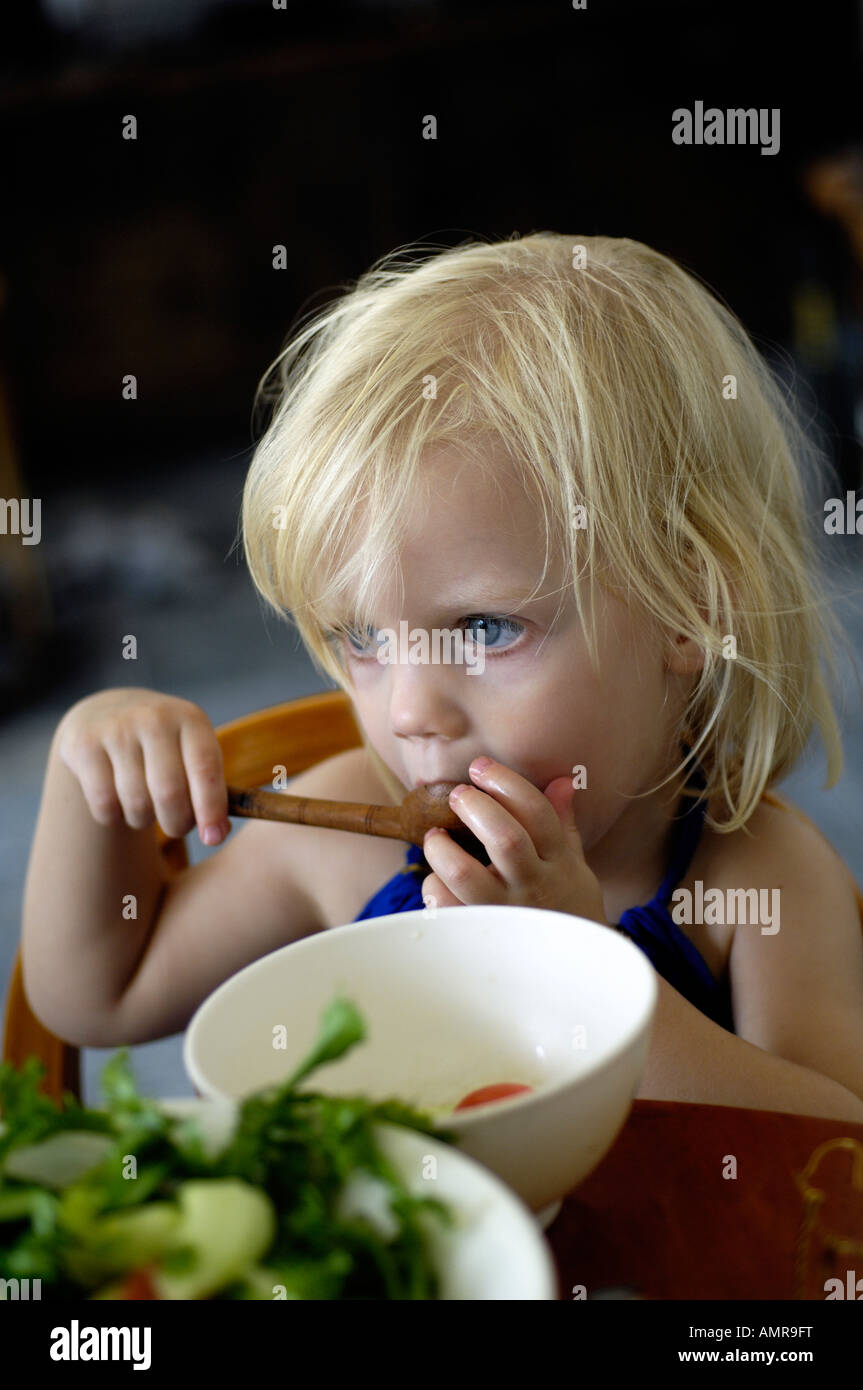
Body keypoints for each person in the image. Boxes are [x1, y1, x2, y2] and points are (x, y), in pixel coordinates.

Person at [21, 232, 863, 1122]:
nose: (410, 710)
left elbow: (833, 1150)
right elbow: (99, 999)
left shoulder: (750, 882)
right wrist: (89, 775)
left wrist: (581, 976)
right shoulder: (342, 843)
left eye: (485, 628)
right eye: (359, 637)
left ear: (689, 609)